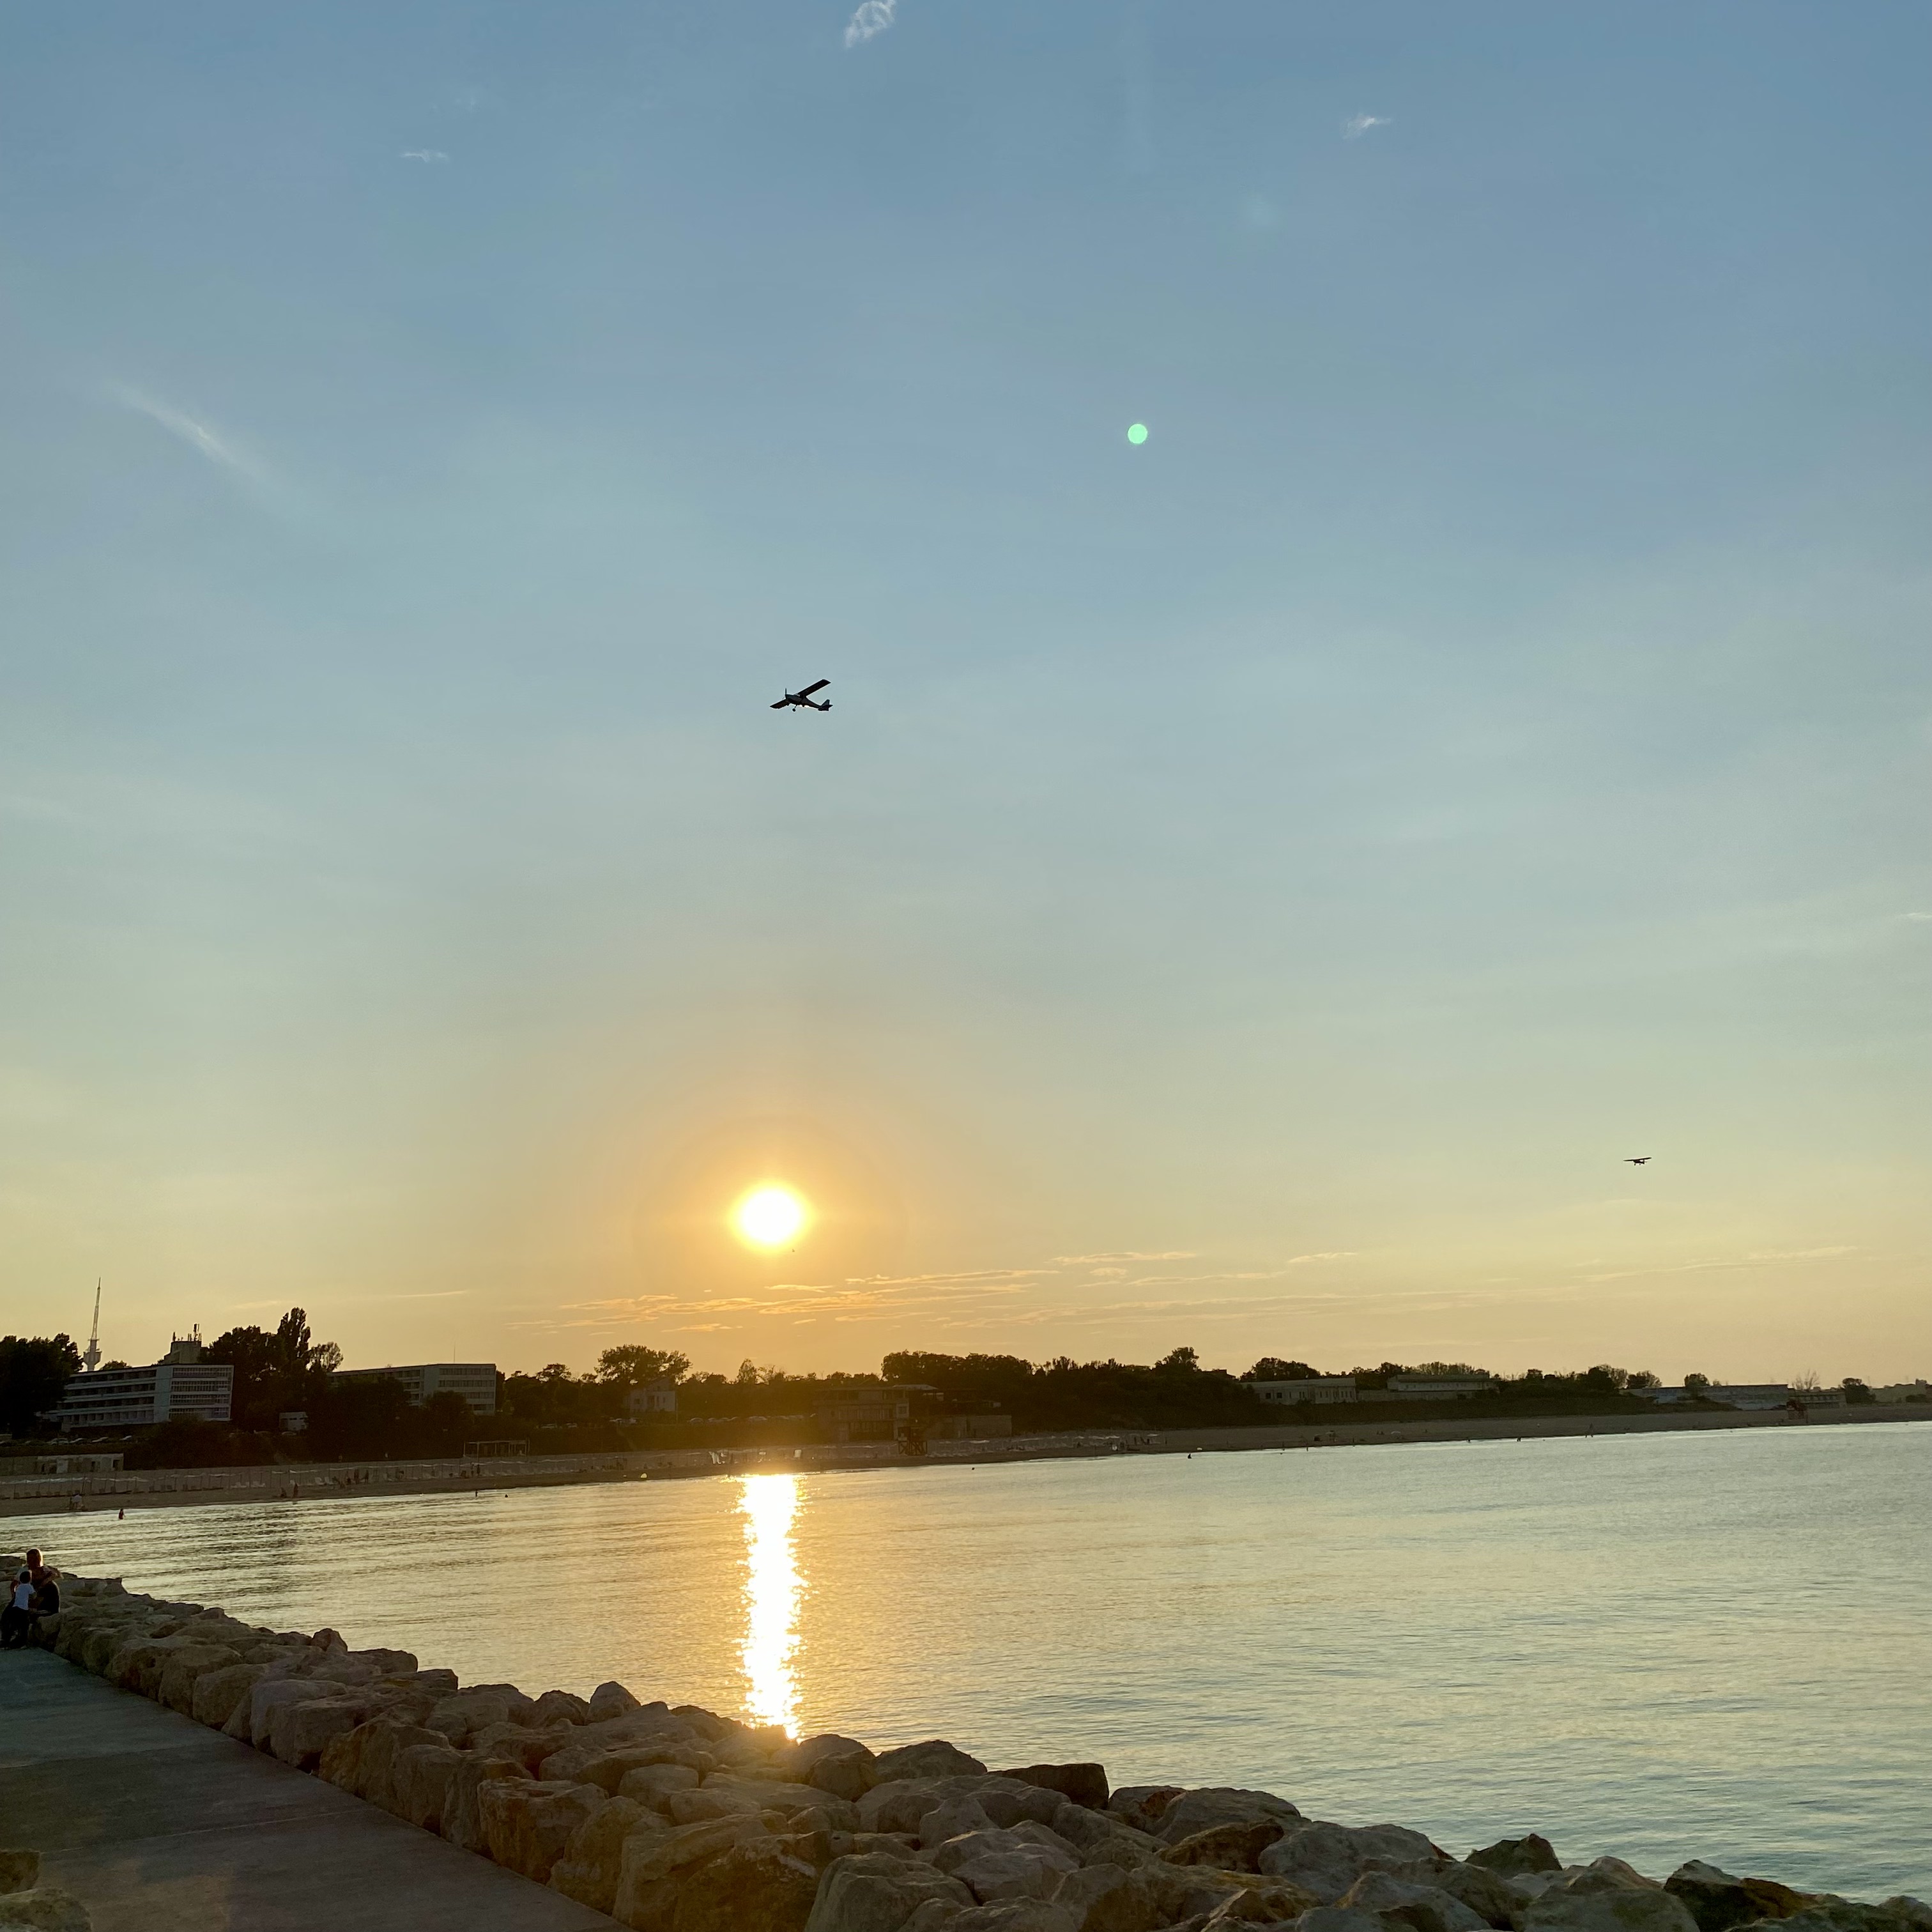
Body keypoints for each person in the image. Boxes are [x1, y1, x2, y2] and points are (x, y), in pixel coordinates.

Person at [1, 1568, 33, 1648]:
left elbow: (14, 1588)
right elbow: (34, 1595)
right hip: (23, 1609)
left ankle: (8, 1639)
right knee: (23, 1625)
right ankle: (21, 1641)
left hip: (15, 1607)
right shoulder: (29, 1586)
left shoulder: (19, 1587)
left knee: (13, 1623)